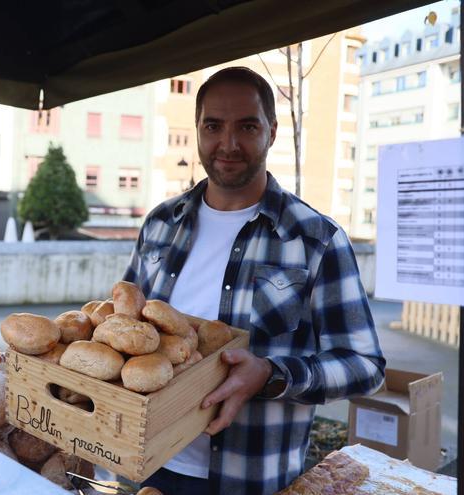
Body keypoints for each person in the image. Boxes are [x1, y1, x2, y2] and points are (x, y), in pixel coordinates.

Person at [125, 67, 385, 495]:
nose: (228, 144)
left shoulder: (315, 239)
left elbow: (364, 365)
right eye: (213, 126)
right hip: (144, 467)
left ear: (272, 132)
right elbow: (125, 329)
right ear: (197, 130)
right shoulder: (159, 224)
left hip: (250, 478)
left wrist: (272, 374)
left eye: (247, 126)